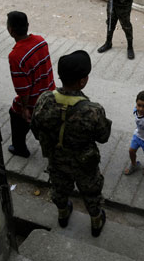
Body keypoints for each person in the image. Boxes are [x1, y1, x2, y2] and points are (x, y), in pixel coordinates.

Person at [31, 50, 111, 237]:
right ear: (82, 81)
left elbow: (35, 129)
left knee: (59, 188)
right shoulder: (93, 110)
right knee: (91, 192)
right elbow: (103, 137)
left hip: (56, 160)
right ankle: (96, 222)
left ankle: (63, 213)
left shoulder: (44, 100)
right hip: (85, 163)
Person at [7, 10, 55, 158]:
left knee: (16, 114)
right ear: (28, 26)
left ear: (11, 30)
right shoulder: (40, 41)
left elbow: (23, 89)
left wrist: (24, 108)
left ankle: (19, 148)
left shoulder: (16, 56)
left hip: (34, 101)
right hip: (49, 93)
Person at [124, 90, 144, 176]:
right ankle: (134, 164)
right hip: (137, 135)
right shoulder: (135, 111)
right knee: (131, 151)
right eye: (139, 105)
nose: (141, 109)